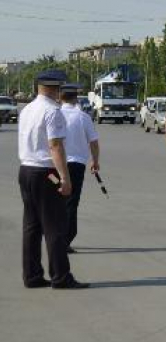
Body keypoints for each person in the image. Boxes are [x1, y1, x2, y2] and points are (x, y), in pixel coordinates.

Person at [17, 69, 88, 289]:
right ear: (55, 88)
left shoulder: (27, 109)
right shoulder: (52, 112)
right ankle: (61, 276)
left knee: (32, 226)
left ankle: (32, 275)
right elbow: (55, 145)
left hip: (26, 170)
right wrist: (64, 178)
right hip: (46, 172)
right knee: (55, 225)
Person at [59, 83, 100, 253]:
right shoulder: (83, 117)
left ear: (60, 97)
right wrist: (95, 161)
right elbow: (93, 142)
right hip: (76, 166)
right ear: (76, 98)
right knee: (71, 202)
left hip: (54, 166)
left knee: (55, 202)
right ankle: (66, 239)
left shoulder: (55, 114)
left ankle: (54, 238)